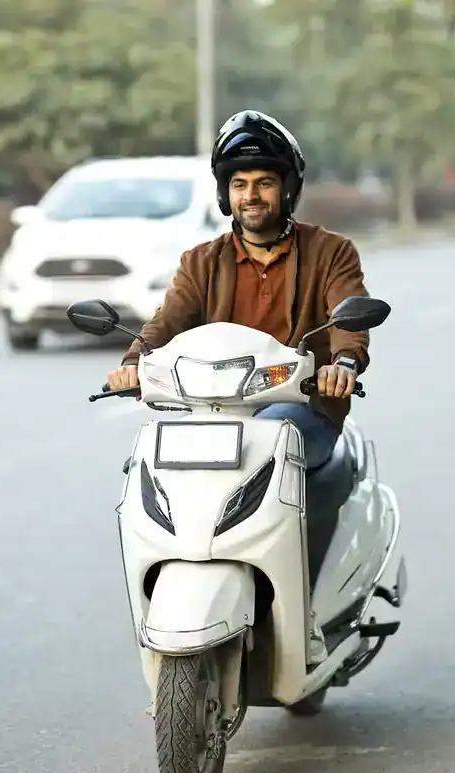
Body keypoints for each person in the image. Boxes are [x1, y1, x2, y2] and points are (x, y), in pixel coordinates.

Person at [105, 110, 373, 665]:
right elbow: (165, 324)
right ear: (226, 194)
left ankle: (305, 610)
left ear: (288, 188)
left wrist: (344, 361)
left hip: (303, 409)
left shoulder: (331, 252)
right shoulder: (201, 262)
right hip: (215, 414)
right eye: (240, 184)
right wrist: (133, 363)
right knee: (151, 462)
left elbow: (349, 317)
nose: (252, 195)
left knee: (274, 434)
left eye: (265, 182)